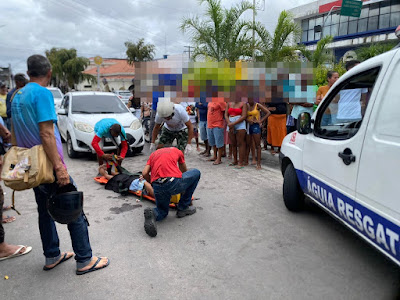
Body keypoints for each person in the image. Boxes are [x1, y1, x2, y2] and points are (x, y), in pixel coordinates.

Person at [12, 54, 109, 274]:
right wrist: (59, 168)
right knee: (72, 206)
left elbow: (15, 133)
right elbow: (46, 134)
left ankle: (52, 255)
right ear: (49, 72)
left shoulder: (17, 95)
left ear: (28, 74)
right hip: (48, 164)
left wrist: (19, 162)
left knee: (44, 211)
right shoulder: (42, 94)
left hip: (31, 164)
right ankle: (85, 259)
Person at [142, 147, 201, 237]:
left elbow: (145, 173)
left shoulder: (153, 154)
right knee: (196, 173)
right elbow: (184, 171)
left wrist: (152, 183)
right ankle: (183, 208)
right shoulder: (177, 151)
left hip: (157, 185)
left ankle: (153, 213)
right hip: (172, 182)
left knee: (162, 212)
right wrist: (185, 188)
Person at [246, 99, 271, 170]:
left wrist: (261, 121)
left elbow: (268, 112)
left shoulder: (257, 105)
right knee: (248, 144)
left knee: (258, 145)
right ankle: (246, 161)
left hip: (255, 126)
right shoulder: (246, 105)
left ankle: (259, 163)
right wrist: (248, 120)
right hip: (248, 125)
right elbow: (244, 116)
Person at [225, 98, 247, 168]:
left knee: (240, 143)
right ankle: (235, 160)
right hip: (230, 121)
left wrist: (233, 124)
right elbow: (226, 115)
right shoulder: (229, 103)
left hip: (239, 122)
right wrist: (229, 123)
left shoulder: (243, 104)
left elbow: (244, 116)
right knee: (233, 143)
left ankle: (240, 162)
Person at [207, 96, 226, 165]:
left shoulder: (221, 101)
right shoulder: (210, 100)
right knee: (213, 142)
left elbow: (225, 111)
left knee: (219, 142)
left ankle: (219, 158)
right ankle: (214, 156)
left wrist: (222, 121)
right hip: (210, 124)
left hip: (218, 124)